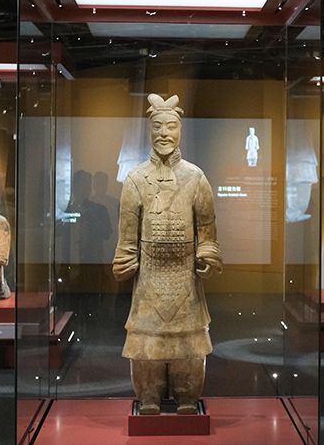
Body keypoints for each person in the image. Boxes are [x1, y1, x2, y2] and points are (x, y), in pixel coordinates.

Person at [113, 93, 222, 415]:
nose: (164, 133)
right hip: (149, 280)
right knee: (147, 350)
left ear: (180, 130)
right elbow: (127, 237)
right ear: (150, 131)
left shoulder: (195, 177)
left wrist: (207, 256)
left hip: (186, 279)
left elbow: (208, 233)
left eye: (171, 126)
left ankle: (187, 396)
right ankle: (149, 396)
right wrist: (124, 260)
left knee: (189, 351)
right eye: (157, 127)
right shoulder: (135, 179)